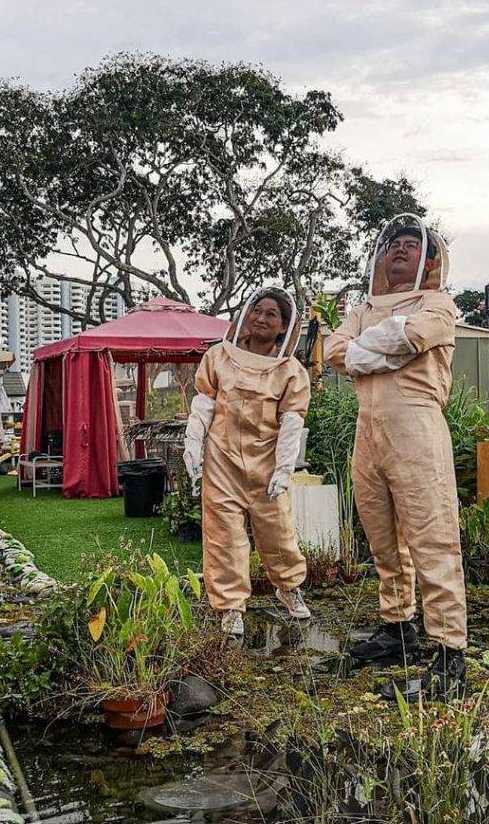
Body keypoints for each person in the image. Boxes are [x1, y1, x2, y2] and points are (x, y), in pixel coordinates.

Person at [324, 214, 467, 701]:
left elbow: (408, 338)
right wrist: (373, 348)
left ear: (429, 261)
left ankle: (450, 652)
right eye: (395, 245)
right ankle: (397, 626)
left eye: (412, 245)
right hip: (369, 430)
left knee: (433, 536)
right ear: (382, 258)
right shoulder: (363, 306)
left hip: (417, 426)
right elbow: (333, 349)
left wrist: (363, 350)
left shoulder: (438, 303)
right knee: (382, 536)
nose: (401, 250)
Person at [182, 288, 311, 637]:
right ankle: (231, 608)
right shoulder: (219, 357)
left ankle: (289, 587)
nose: (262, 318)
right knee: (223, 537)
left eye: (272, 314)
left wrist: (285, 468)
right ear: (246, 316)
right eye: (257, 310)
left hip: (266, 463)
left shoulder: (291, 372)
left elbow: (292, 422)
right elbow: (205, 402)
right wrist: (194, 441)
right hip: (223, 463)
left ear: (284, 327)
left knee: (278, 532)